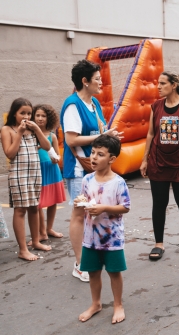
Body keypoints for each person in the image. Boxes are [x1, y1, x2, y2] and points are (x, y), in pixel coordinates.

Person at [61, 59, 122, 281]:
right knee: (80, 214)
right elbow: (71, 139)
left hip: (93, 168)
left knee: (92, 213)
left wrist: (110, 136)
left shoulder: (93, 104)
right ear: (84, 81)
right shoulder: (72, 105)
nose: (101, 82)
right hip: (79, 168)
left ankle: (91, 257)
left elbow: (101, 130)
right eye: (97, 79)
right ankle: (79, 264)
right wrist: (101, 136)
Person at [140, 71, 179, 260]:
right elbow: (151, 134)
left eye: (162, 83)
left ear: (173, 85)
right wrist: (144, 159)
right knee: (159, 203)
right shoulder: (156, 106)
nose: (158, 86)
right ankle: (158, 243)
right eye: (158, 83)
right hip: (158, 162)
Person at [76, 135, 130, 324]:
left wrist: (104, 208)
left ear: (112, 159)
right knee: (93, 271)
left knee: (114, 272)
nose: (94, 157)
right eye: (93, 153)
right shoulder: (87, 179)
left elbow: (125, 207)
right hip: (90, 236)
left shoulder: (118, 182)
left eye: (100, 154)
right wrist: (79, 202)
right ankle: (96, 303)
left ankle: (118, 304)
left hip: (112, 238)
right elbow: (84, 199)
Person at [1, 98, 51, 260]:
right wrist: (20, 133)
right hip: (18, 174)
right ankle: (23, 249)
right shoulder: (7, 130)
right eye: (22, 113)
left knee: (34, 208)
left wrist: (37, 129)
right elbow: (10, 153)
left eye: (29, 113)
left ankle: (35, 241)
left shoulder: (32, 129)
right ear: (14, 113)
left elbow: (47, 146)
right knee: (20, 210)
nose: (26, 117)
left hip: (34, 173)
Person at [32, 104, 66, 242]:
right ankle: (41, 232)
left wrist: (55, 159)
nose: (40, 119)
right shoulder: (30, 134)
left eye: (43, 116)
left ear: (49, 118)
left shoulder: (52, 136)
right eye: (38, 115)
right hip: (37, 171)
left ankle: (49, 228)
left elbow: (58, 156)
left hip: (52, 170)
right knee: (37, 203)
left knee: (53, 201)